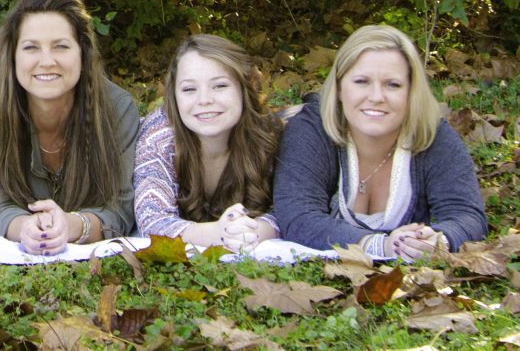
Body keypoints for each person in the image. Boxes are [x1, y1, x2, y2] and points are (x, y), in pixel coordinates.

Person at [274, 25, 487, 260]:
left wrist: (439, 239)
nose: (376, 97)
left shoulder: (433, 136)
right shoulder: (311, 129)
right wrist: (379, 246)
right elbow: (298, 218)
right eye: (361, 81)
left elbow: (468, 215)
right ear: (339, 88)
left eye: (392, 84)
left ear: (411, 92)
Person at [0, 0, 138, 256]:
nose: (46, 61)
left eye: (61, 46)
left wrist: (73, 225)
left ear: (83, 53)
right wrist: (26, 228)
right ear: (13, 56)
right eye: (31, 47)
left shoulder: (117, 109)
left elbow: (122, 205)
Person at [134, 35, 283, 251]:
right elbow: (151, 221)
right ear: (173, 95)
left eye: (219, 85)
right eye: (189, 89)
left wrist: (254, 231)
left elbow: (290, 210)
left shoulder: (269, 133)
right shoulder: (159, 133)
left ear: (245, 88)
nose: (204, 100)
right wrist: (219, 233)